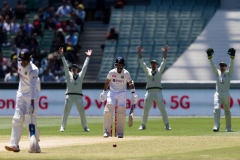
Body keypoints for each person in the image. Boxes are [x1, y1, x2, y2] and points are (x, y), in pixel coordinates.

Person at [5, 49, 41, 153]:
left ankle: (36, 145)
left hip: (31, 96)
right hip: (20, 94)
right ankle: (14, 144)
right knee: (17, 118)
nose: (23, 62)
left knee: (29, 121)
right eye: (22, 60)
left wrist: (32, 103)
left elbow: (33, 88)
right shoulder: (19, 64)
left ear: (29, 59)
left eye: (25, 60)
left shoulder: (34, 70)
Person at [100, 57, 138, 138]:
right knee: (108, 109)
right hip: (112, 93)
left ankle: (120, 132)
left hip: (122, 93)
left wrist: (133, 93)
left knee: (121, 111)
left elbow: (130, 83)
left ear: (123, 65)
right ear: (115, 65)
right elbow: (107, 82)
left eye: (121, 65)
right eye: (118, 65)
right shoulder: (111, 72)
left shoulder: (126, 73)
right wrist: (104, 92)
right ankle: (107, 131)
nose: (119, 67)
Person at [137, 45, 171, 131]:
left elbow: (164, 62)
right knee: (146, 110)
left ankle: (167, 125)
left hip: (158, 92)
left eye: (154, 64)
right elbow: (141, 63)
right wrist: (139, 53)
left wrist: (165, 52)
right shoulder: (147, 71)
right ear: (150, 65)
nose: (153, 65)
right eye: (152, 64)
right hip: (149, 92)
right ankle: (143, 125)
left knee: (162, 109)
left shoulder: (159, 71)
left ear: (156, 65)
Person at [59, 47, 92, 132]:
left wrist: (88, 57)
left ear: (77, 69)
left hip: (78, 97)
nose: (73, 69)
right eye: (72, 68)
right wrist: (62, 55)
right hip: (69, 96)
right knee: (65, 112)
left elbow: (84, 67)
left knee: (82, 113)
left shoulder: (80, 76)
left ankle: (85, 127)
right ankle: (62, 127)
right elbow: (65, 66)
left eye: (75, 68)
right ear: (71, 69)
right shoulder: (68, 75)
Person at [206, 48, 236, 132]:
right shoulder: (217, 73)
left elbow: (231, 66)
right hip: (218, 94)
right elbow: (213, 66)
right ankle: (216, 126)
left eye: (223, 65)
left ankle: (228, 128)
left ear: (226, 67)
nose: (221, 67)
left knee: (227, 111)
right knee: (216, 109)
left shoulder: (228, 74)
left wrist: (232, 58)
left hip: (226, 94)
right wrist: (210, 57)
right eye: (221, 65)